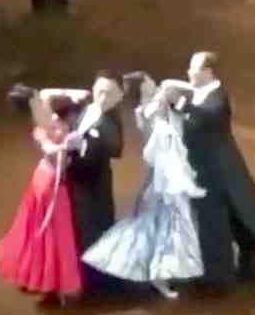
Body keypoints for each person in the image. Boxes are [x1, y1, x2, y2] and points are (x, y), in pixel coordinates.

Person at [82, 74, 207, 298]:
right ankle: (158, 275)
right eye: (151, 93)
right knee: (158, 228)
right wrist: (157, 92)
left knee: (174, 228)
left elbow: (187, 90)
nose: (157, 96)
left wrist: (159, 86)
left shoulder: (174, 114)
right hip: (160, 185)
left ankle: (165, 272)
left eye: (157, 92)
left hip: (175, 185)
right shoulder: (148, 115)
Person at [175, 51, 255, 288]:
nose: (189, 73)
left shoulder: (217, 96)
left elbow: (208, 117)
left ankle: (220, 274)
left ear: (208, 72)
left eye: (194, 69)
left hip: (218, 168)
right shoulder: (198, 93)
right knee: (234, 212)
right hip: (206, 166)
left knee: (222, 217)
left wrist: (180, 103)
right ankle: (244, 259)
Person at [31, 75, 125, 294]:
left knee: (94, 231)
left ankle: (96, 282)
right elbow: (44, 95)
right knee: (73, 230)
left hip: (93, 187)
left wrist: (84, 144)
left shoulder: (111, 124)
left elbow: (116, 149)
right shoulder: (82, 106)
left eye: (110, 93)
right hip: (72, 184)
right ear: (92, 89)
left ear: (119, 96)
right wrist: (70, 92)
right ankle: (75, 274)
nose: (103, 97)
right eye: (100, 91)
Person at [0, 89, 88, 305]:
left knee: (39, 229)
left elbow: (46, 93)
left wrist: (75, 95)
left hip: (43, 179)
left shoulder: (47, 114)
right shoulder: (42, 131)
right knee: (58, 233)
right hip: (51, 185)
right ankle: (65, 285)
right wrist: (67, 145)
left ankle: (35, 273)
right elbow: (50, 149)